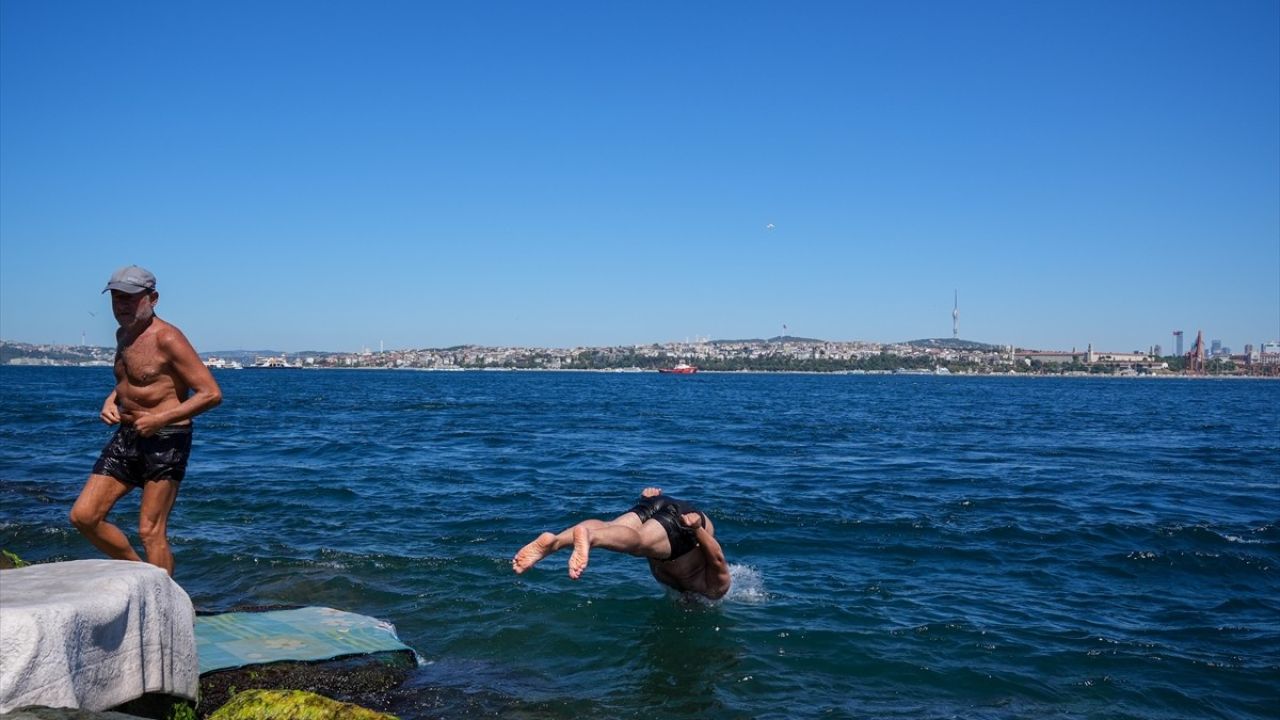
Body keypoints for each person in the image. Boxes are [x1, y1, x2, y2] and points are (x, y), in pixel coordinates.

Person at [69, 265, 222, 576]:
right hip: (127, 435)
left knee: (151, 531)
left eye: (130, 299)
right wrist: (111, 400)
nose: (121, 306)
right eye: (116, 299)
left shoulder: (168, 338)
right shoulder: (122, 334)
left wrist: (159, 418)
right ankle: (145, 578)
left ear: (153, 298)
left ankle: (165, 606)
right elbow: (133, 380)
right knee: (84, 516)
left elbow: (211, 393)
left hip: (167, 439)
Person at [512, 487, 732, 600]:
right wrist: (696, 528)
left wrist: (648, 502)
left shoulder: (683, 587)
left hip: (660, 505)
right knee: (639, 543)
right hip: (686, 525)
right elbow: (717, 557)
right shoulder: (715, 590)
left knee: (610, 527)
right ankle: (589, 537)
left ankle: (557, 541)